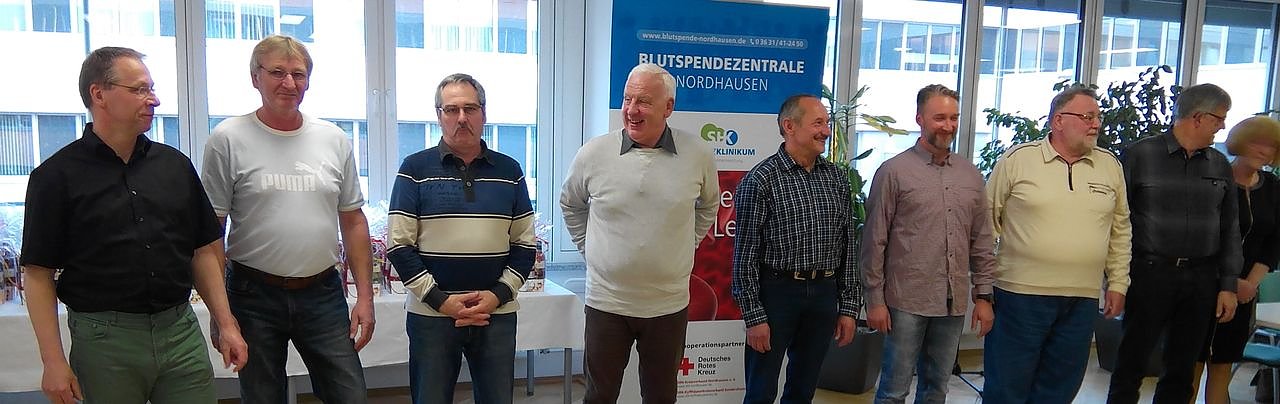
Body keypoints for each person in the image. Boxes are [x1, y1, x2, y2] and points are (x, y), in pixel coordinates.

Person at [22, 46, 247, 404]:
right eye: (140, 89)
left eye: (151, 88)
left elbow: (203, 249)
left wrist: (227, 323)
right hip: (105, 340)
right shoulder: (55, 177)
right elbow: (37, 273)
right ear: (99, 94)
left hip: (179, 330)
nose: (154, 100)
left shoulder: (175, 166)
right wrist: (53, 361)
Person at [201, 34, 374, 403]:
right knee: (262, 397)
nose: (289, 83)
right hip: (252, 293)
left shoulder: (333, 138)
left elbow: (354, 221)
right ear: (255, 78)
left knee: (350, 395)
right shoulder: (227, 138)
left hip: (322, 292)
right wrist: (221, 314)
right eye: (277, 72)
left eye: (298, 74)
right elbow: (212, 232)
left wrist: (365, 297)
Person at [560, 63, 719, 404]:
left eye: (643, 101)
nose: (631, 110)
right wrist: (590, 249)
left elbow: (709, 205)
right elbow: (571, 204)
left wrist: (685, 243)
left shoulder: (698, 154)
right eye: (627, 99)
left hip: (668, 304)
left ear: (668, 107)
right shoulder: (593, 153)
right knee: (599, 396)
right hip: (607, 302)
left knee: (661, 397)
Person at [387, 73, 536, 404]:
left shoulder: (510, 171)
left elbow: (525, 246)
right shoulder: (414, 169)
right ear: (438, 115)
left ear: (484, 113)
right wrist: (442, 301)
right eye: (451, 109)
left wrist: (497, 295)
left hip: (495, 313)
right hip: (432, 316)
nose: (462, 118)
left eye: (470, 108)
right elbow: (399, 246)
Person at [982, 85, 1131, 403]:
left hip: (1081, 299)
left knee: (1060, 388)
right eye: (1087, 117)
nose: (1096, 124)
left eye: (1098, 117)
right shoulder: (1019, 160)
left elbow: (1120, 230)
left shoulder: (1110, 165)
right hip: (1019, 295)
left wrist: (1118, 282)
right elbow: (985, 225)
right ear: (1058, 120)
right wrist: (982, 288)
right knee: (1007, 387)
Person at [861, 84, 996, 404]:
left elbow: (981, 240)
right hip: (905, 301)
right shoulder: (893, 172)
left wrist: (984, 296)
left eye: (953, 118)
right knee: (893, 390)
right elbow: (874, 240)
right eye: (939, 118)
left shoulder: (970, 175)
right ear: (919, 119)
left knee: (937, 389)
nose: (948, 126)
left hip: (952, 303)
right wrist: (874, 300)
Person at [1106, 83, 1241, 404]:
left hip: (1202, 277)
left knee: (1182, 368)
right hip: (1149, 273)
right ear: (1197, 117)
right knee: (1132, 361)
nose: (1222, 126)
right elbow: (1116, 219)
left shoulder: (1219, 164)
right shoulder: (1140, 155)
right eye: (1219, 118)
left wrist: (1228, 285)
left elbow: (1230, 228)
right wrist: (1114, 279)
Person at [731, 93, 860, 404]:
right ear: (789, 126)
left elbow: (848, 247)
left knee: (803, 390)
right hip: (777, 294)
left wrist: (849, 308)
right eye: (818, 123)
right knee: (761, 391)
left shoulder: (836, 178)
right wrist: (754, 317)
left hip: (824, 294)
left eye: (826, 123)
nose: (826, 131)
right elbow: (744, 257)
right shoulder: (760, 181)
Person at [1191, 116, 1280, 404]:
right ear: (1240, 142)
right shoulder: (1217, 181)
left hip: (1244, 294)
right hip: (1205, 285)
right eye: (1257, 143)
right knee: (1192, 365)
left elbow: (1274, 243)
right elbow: (1202, 238)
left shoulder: (1273, 187)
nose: (1264, 151)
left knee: (1222, 365)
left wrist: (1249, 284)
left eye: (1271, 146)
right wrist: (1228, 282)